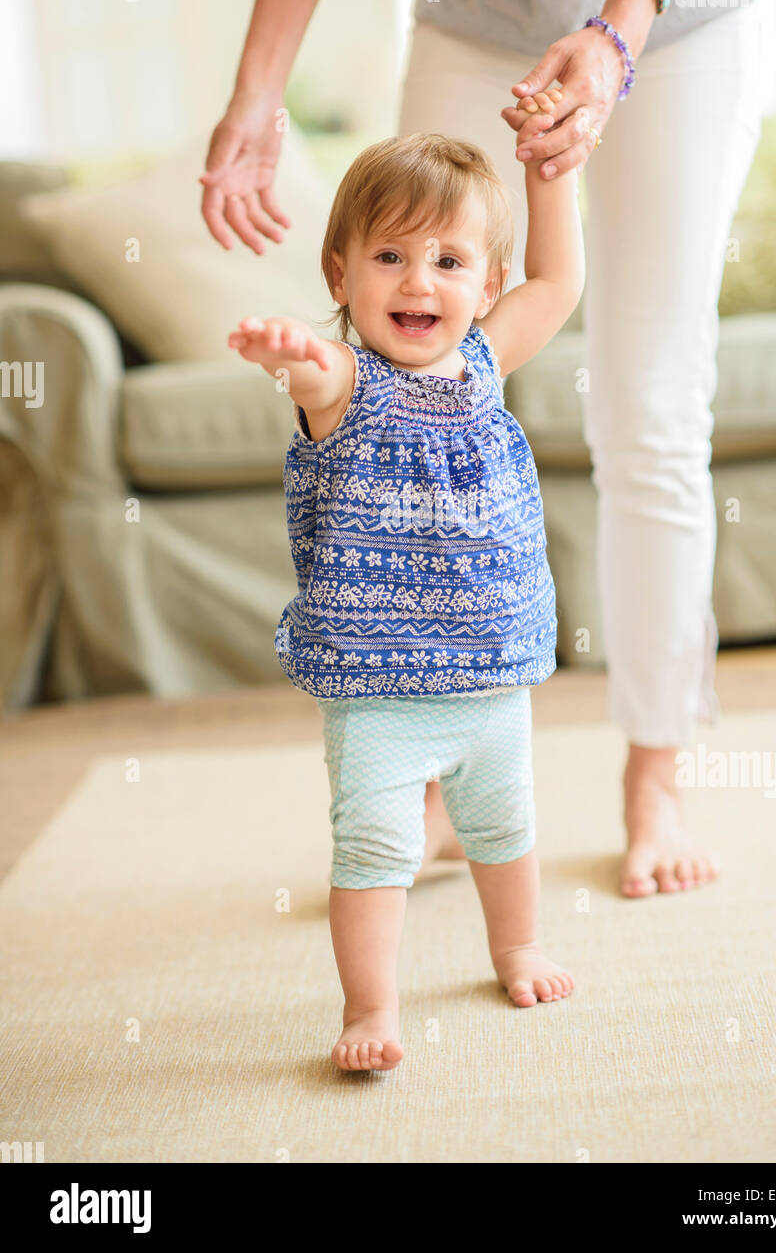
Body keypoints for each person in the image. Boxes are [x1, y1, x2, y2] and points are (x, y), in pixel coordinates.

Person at [201, 0, 776, 898]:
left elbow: (551, 284)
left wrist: (617, 31)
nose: (412, 282)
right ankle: (431, 790)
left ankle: (657, 777)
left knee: (647, 408)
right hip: (478, 2)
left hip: (681, 1)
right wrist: (258, 88)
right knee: (411, 383)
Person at [228, 99, 584, 1070]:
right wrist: (291, 357)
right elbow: (315, 373)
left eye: (448, 261)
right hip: (379, 691)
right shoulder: (347, 379)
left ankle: (517, 946)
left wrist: (551, 172)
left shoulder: (483, 359)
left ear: (486, 282)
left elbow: (559, 277)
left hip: (491, 673)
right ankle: (370, 1007)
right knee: (376, 853)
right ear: (340, 275)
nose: (419, 279)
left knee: (506, 829)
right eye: (389, 258)